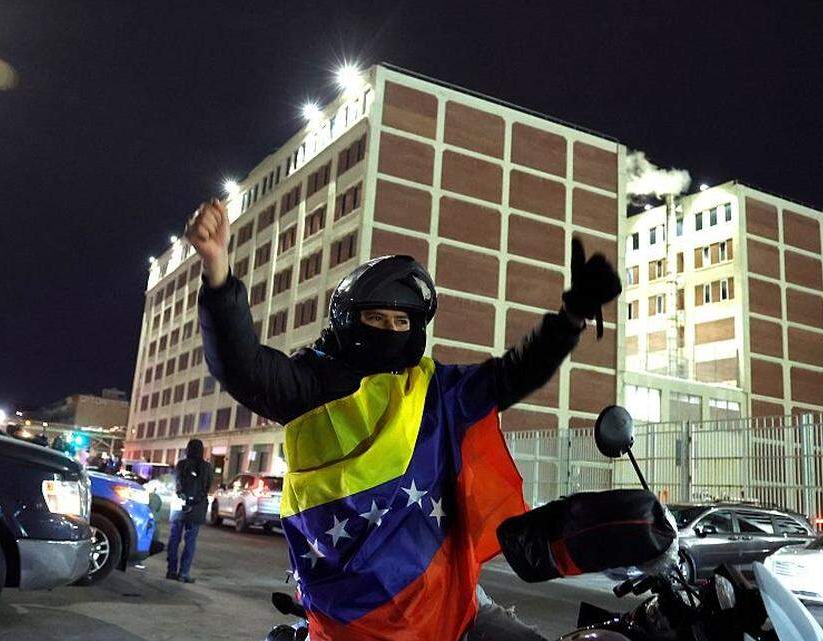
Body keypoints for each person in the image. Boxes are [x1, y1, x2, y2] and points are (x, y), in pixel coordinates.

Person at [186, 197, 620, 641]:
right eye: (376, 317)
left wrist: (571, 317)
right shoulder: (311, 384)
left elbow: (514, 373)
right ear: (347, 320)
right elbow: (243, 367)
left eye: (402, 321)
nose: (390, 331)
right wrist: (218, 272)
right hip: (350, 614)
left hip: (448, 596)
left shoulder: (437, 390)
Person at [166, 438, 213, 583]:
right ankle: (184, 573)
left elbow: (176, 482)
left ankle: (171, 570)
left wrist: (183, 496)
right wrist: (196, 500)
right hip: (197, 508)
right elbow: (207, 487)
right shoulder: (206, 467)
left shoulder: (181, 465)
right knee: (190, 541)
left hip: (180, 505)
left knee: (174, 539)